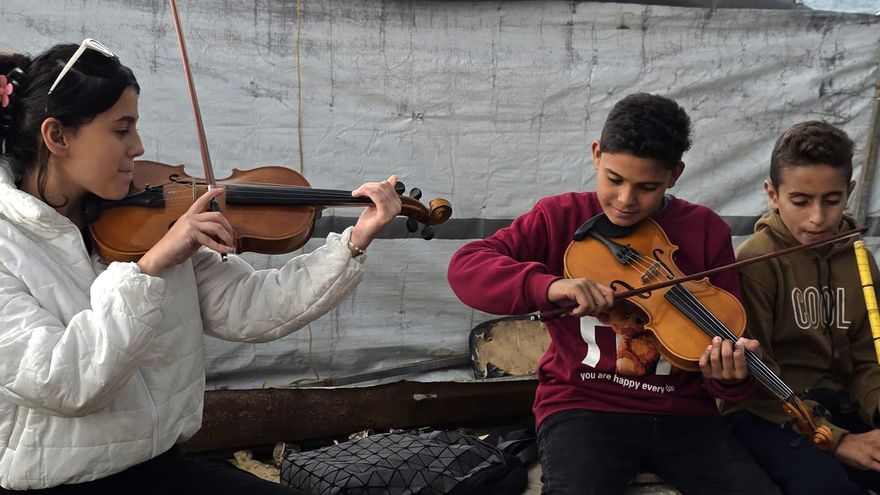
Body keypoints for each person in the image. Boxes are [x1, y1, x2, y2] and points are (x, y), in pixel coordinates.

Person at [0, 39, 401, 493]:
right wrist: (150, 269)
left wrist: (353, 242)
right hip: (55, 483)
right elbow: (62, 380)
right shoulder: (8, 247)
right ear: (57, 136)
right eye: (121, 130)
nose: (139, 146)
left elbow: (251, 306)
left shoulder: (138, 221)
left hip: (158, 465)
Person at [447, 93, 780, 495]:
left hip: (684, 415)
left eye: (647, 187)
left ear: (674, 174)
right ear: (596, 154)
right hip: (583, 406)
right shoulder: (560, 216)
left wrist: (729, 378)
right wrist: (551, 286)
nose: (625, 201)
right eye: (614, 179)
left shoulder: (706, 230)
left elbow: (724, 359)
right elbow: (466, 266)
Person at [721, 121, 880, 495]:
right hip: (769, 415)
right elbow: (760, 381)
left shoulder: (860, 259)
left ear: (849, 192)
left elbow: (867, 361)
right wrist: (837, 440)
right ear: (772, 194)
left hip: (836, 405)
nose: (817, 217)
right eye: (800, 201)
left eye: (832, 200)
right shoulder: (755, 261)